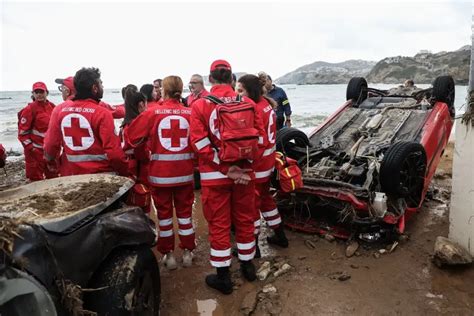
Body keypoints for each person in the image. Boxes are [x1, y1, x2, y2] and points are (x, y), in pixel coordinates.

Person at [190, 60, 265, 294]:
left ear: (210, 79)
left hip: (214, 177)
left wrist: (224, 168)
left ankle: (223, 277)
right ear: (232, 79)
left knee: (219, 224)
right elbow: (260, 141)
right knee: (244, 219)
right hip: (244, 174)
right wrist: (245, 166)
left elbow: (199, 143)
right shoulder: (249, 103)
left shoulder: (200, 105)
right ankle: (247, 266)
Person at [127, 75, 195, 269]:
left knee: (164, 217)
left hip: (160, 176)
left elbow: (132, 138)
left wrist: (144, 154)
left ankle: (169, 256)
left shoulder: (152, 113)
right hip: (185, 174)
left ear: (162, 91)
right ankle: (188, 253)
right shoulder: (190, 113)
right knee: (185, 215)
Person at [237, 74, 289, 256]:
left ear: (250, 91)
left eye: (240, 90)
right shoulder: (266, 105)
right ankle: (280, 236)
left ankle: (254, 247)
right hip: (268, 164)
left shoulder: (253, 109)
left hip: (257, 166)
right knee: (266, 200)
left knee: (251, 207)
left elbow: (257, 141)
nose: (238, 94)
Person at [44, 67, 128, 176]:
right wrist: (124, 171)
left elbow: (51, 145)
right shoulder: (102, 112)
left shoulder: (60, 110)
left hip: (71, 174)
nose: (103, 86)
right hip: (100, 175)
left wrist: (51, 163)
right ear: (95, 88)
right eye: (101, 83)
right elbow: (114, 153)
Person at [18, 82, 58, 181]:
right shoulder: (29, 109)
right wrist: (32, 149)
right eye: (37, 92)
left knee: (54, 177)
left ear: (47, 93)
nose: (39, 94)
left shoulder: (53, 107)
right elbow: (22, 133)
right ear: (33, 94)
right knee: (35, 179)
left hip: (50, 151)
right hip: (35, 152)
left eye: (41, 92)